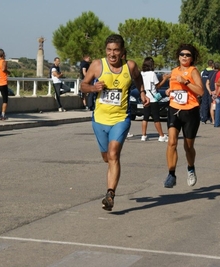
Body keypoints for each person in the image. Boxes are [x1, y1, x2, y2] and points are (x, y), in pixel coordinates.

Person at [80, 34, 150, 211]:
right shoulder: (97, 65)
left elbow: (137, 78)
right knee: (107, 157)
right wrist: (93, 88)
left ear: (123, 52)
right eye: (109, 50)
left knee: (113, 154)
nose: (112, 54)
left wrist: (142, 92)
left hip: (121, 118)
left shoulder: (130, 66)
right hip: (99, 120)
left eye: (116, 50)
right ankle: (111, 178)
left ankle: (110, 194)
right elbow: (83, 85)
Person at [164, 43, 204, 188]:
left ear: (192, 58)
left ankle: (191, 168)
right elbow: (175, 88)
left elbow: (201, 91)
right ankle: (171, 174)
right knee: (171, 142)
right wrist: (168, 91)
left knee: (188, 147)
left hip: (190, 111)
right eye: (182, 54)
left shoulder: (193, 71)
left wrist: (186, 81)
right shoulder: (174, 71)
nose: (184, 57)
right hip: (174, 108)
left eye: (188, 55)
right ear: (178, 56)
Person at [140, 57, 170, 142]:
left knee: (145, 117)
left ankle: (143, 135)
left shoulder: (142, 73)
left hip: (145, 97)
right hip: (153, 99)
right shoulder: (152, 74)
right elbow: (158, 85)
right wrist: (165, 79)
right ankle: (161, 135)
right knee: (156, 118)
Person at [200, 60, 214, 124]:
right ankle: (211, 118)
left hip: (204, 88)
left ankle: (204, 118)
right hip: (210, 88)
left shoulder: (203, 72)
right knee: (211, 103)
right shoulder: (213, 72)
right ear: (212, 64)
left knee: (204, 103)